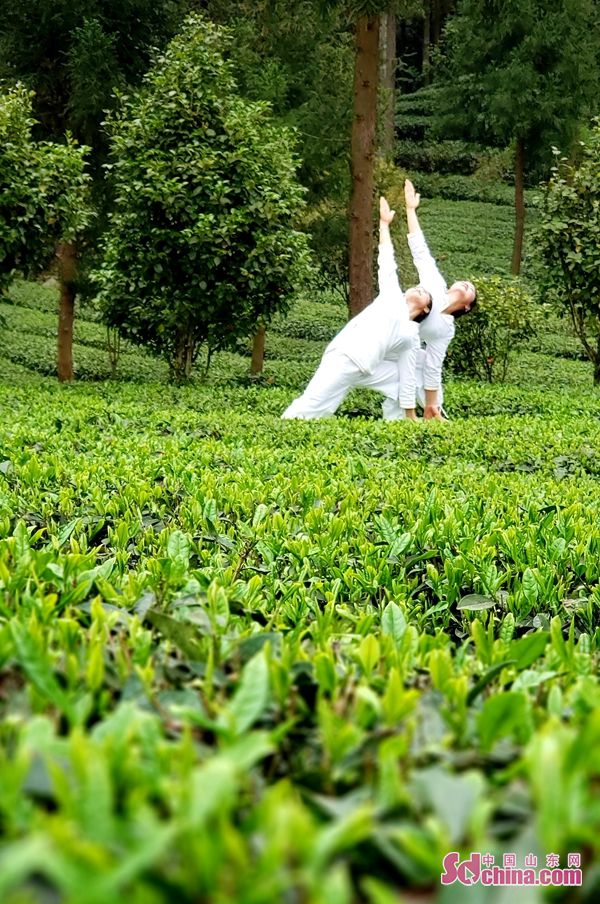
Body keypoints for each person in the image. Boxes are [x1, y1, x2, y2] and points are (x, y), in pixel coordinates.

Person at [281, 197, 432, 420]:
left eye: (425, 294)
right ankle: (283, 429)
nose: (418, 289)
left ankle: (401, 424)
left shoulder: (411, 334)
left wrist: (413, 411)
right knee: (314, 405)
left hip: (369, 368)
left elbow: (409, 372)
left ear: (426, 310)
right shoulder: (392, 296)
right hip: (345, 356)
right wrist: (383, 224)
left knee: (406, 379)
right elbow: (387, 260)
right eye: (417, 288)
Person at [383, 179, 477, 421]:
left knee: (422, 365)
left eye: (471, 289)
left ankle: (429, 413)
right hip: (388, 334)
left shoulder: (446, 329)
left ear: (467, 306)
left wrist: (432, 402)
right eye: (465, 282)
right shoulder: (435, 283)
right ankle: (422, 413)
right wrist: (411, 210)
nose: (466, 284)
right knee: (414, 361)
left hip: (400, 348)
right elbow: (419, 248)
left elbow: (435, 366)